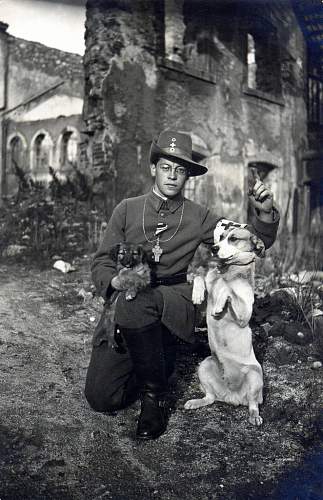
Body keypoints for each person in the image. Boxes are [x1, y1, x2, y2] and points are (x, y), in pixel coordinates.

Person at [84, 130, 280, 440]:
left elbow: (250, 241)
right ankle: (157, 359)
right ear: (153, 169)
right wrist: (114, 280)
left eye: (180, 170)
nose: (173, 176)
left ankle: (155, 397)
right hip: (129, 299)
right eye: (166, 167)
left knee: (139, 301)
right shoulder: (127, 209)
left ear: (187, 175)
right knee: (102, 397)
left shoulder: (198, 216)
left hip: (173, 299)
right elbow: (101, 262)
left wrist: (265, 211)